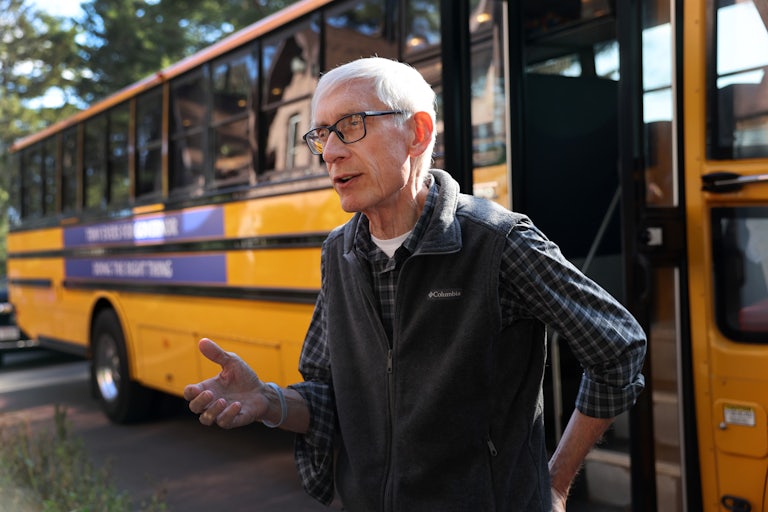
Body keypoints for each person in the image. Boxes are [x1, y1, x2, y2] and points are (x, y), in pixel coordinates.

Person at [184, 56, 646, 511]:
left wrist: (555, 482)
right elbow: (330, 398)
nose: (330, 152)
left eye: (350, 125)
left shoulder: (498, 242)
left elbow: (618, 349)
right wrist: (266, 401)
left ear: (418, 132)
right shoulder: (338, 252)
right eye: (322, 134)